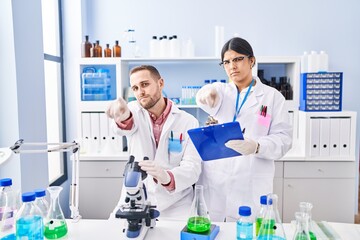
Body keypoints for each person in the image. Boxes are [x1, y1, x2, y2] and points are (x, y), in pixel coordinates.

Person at [195, 37, 293, 221]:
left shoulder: (272, 97)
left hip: (251, 179)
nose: (232, 66)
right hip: (216, 179)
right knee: (214, 229)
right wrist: (206, 94)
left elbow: (284, 139)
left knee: (247, 230)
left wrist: (256, 146)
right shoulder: (221, 91)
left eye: (238, 59)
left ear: (252, 61)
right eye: (227, 62)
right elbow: (204, 94)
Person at [106, 65, 201, 220]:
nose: (140, 92)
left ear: (160, 83)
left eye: (145, 84)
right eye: (135, 88)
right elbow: (125, 126)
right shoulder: (133, 111)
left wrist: (167, 177)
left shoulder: (188, 121)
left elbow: (193, 167)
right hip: (136, 197)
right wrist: (121, 116)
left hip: (177, 202)